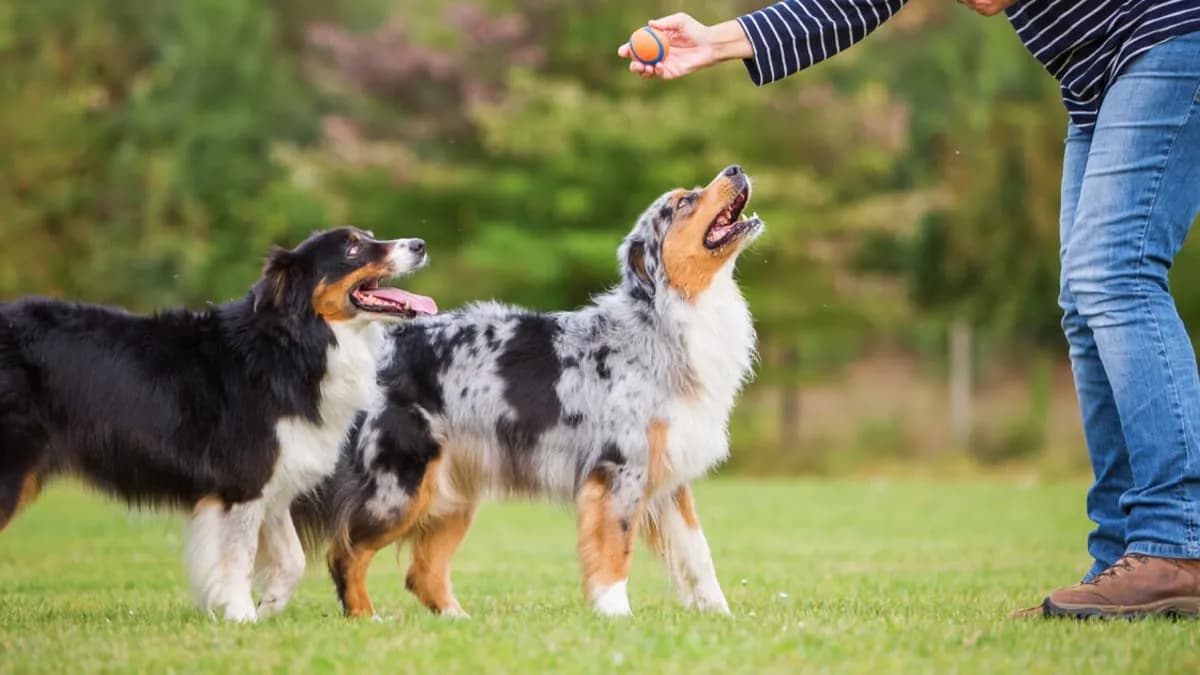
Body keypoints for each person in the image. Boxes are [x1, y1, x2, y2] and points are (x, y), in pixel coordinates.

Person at [618, 0, 1200, 619]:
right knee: (1085, 304)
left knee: (1112, 275)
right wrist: (718, 40)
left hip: (1163, 34)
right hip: (1096, 75)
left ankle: (1176, 543)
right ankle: (1121, 558)